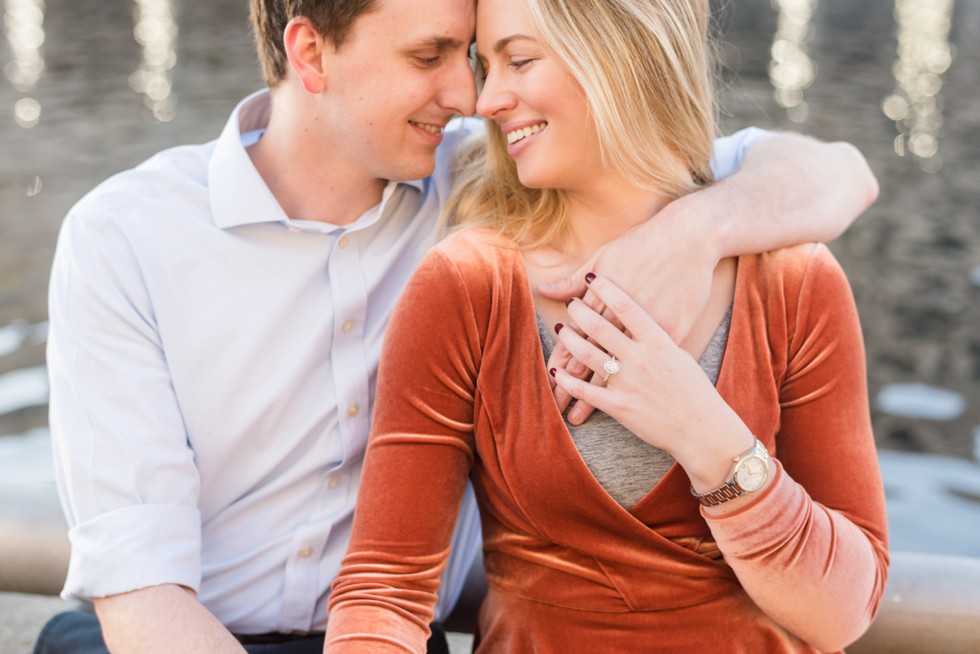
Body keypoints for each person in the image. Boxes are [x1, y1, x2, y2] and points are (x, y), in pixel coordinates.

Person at [37, 0, 878, 652]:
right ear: (310, 53)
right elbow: (143, 593)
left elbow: (834, 174)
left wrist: (694, 234)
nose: (473, 95)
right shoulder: (126, 238)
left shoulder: (482, 160)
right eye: (431, 57)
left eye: (480, 56)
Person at [324, 0, 889, 652]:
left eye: (520, 59)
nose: (486, 99)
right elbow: (385, 589)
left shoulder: (793, 283)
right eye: (488, 64)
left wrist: (699, 430)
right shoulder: (467, 286)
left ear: (622, 52)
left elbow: (846, 611)